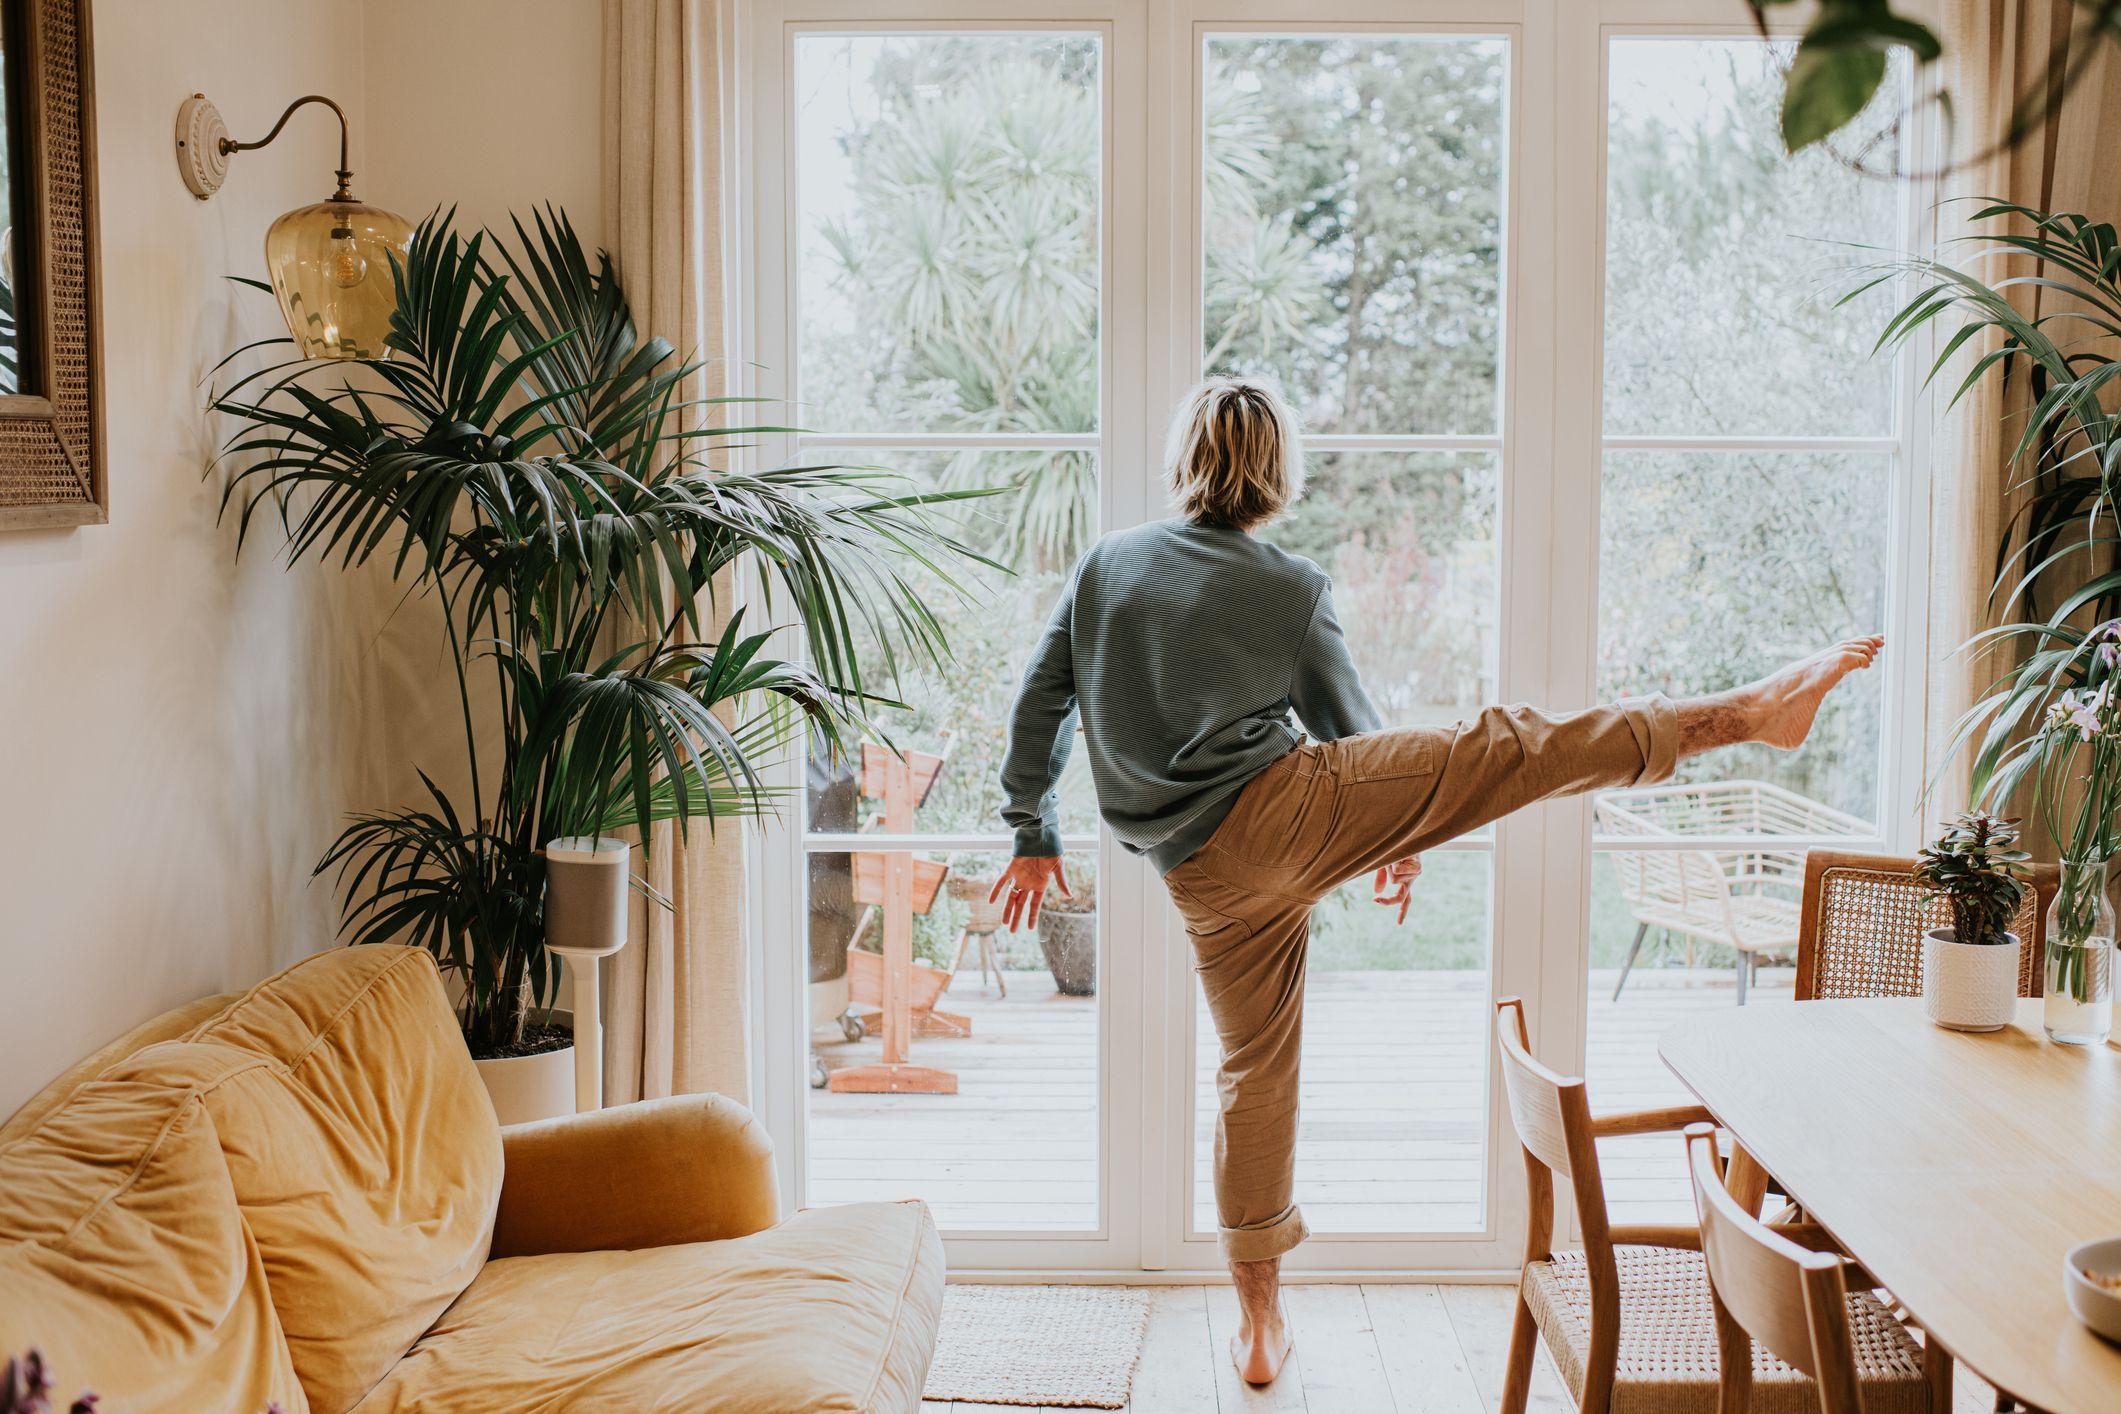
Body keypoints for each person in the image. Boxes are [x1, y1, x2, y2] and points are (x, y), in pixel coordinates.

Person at [989, 376, 1882, 1385]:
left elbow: (1039, 703)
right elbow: (1356, 732)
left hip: (1195, 873)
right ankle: (1746, 712)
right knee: (1504, 748)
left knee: (1254, 1074)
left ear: (1181, 458)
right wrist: (1395, 832)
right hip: (1286, 814)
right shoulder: (1290, 586)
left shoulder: (1105, 567)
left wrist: (1032, 828)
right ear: (1276, 471)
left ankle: (1258, 1322)